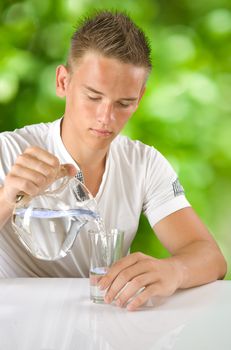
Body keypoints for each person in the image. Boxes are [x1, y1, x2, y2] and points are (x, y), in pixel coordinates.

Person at [0, 11, 227, 310]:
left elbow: (211, 258)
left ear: (140, 98)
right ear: (63, 81)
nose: (106, 118)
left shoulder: (144, 163)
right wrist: (7, 197)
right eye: (93, 97)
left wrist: (173, 271)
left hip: (104, 326)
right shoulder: (8, 150)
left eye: (124, 103)